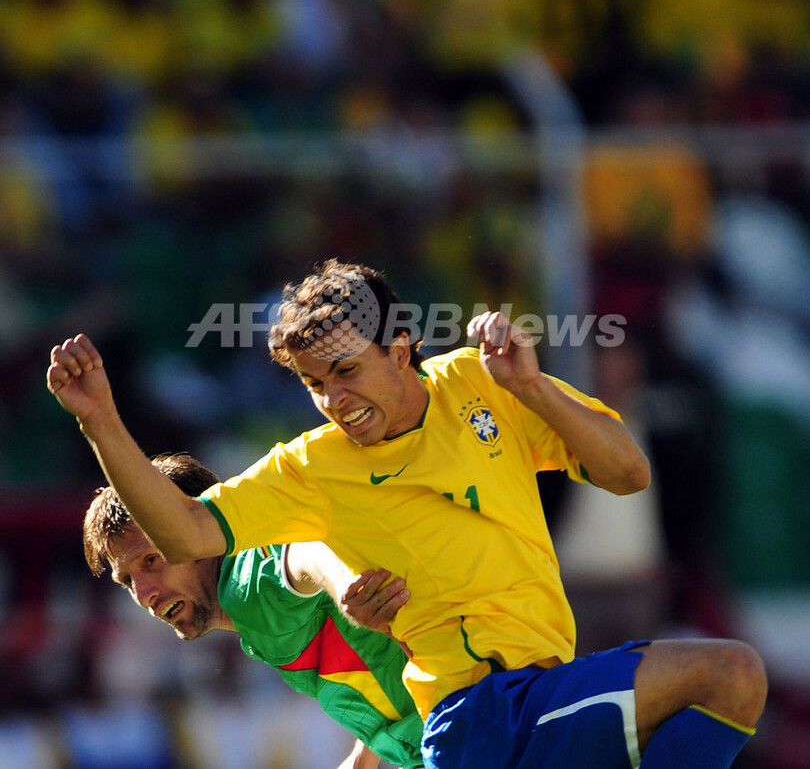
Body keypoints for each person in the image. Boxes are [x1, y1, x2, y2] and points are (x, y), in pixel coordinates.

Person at [48, 259, 767, 769]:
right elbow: (188, 532)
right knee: (727, 674)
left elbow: (629, 472)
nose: (332, 400)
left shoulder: (480, 381)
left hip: (527, 699)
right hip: (483, 710)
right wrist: (102, 422)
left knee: (728, 679)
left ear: (400, 350)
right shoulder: (308, 465)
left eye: (346, 371)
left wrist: (536, 390)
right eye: (312, 384)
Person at [84, 451, 423, 769]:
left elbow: (308, 553)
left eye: (151, 560)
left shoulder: (246, 591)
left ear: (192, 532)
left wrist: (345, 587)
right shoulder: (255, 596)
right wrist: (364, 756)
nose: (144, 595)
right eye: (128, 581)